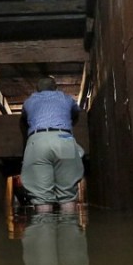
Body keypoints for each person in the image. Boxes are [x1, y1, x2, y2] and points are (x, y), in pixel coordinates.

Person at [20, 76, 84, 213]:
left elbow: (24, 117)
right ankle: (69, 228)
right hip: (64, 138)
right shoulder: (66, 98)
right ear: (55, 87)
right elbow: (76, 112)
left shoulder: (29, 101)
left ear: (37, 90)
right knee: (67, 195)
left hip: (38, 141)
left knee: (42, 197)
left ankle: (44, 230)